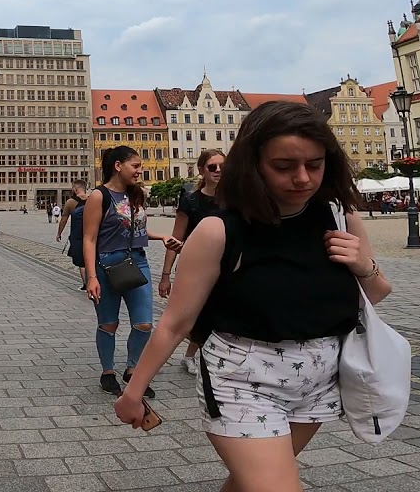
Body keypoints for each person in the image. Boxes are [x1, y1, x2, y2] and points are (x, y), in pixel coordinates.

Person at [115, 102, 393, 492]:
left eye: (314, 165)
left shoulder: (339, 217)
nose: (302, 178)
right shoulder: (218, 230)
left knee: (249, 484)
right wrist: (134, 391)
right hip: (241, 382)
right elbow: (176, 322)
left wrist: (364, 265)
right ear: (253, 165)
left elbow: (375, 295)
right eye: (284, 166)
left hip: (317, 384)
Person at [82, 146, 182, 397]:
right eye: (135, 166)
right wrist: (91, 277)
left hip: (138, 262)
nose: (140, 170)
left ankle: (132, 369)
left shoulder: (136, 194)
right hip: (107, 265)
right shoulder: (99, 196)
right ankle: (107, 372)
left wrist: (161, 236)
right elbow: (89, 238)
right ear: (118, 166)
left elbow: (134, 229)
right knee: (109, 324)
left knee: (144, 323)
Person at [161, 148, 224, 375]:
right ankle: (187, 356)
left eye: (223, 167)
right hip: (194, 267)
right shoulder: (191, 201)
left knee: (217, 313)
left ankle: (202, 355)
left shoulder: (233, 199)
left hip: (224, 266)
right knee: (192, 315)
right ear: (201, 170)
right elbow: (175, 239)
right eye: (212, 167)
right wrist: (166, 275)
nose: (218, 171)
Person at [57, 181, 90, 290]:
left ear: (75, 189)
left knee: (81, 262)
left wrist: (59, 233)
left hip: (77, 236)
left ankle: (86, 284)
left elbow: (64, 220)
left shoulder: (70, 202)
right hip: (93, 234)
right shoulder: (92, 200)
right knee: (92, 259)